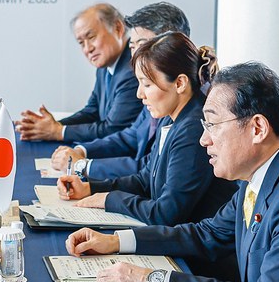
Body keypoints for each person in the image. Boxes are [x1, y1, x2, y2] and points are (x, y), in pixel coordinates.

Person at [66, 62, 279, 282]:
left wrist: (152, 280)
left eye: (212, 125)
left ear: (257, 128)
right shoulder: (263, 173)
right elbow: (207, 234)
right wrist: (117, 241)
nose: (203, 140)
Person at [58, 32, 236, 226]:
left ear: (180, 83)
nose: (139, 94)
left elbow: (166, 214)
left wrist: (109, 199)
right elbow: (145, 180)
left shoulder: (193, 129)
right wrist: (91, 188)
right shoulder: (171, 118)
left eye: (147, 84)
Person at [51, 2, 191, 179]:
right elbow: (131, 135)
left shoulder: (186, 110)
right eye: (132, 47)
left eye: (143, 45)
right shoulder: (155, 92)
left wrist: (83, 165)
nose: (135, 57)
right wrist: (82, 150)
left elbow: (149, 171)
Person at [17, 3, 141, 142]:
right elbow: (91, 112)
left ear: (118, 28)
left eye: (91, 37)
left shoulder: (133, 69)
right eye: (81, 42)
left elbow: (113, 129)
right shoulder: (104, 67)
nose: (87, 49)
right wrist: (51, 127)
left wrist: (58, 131)